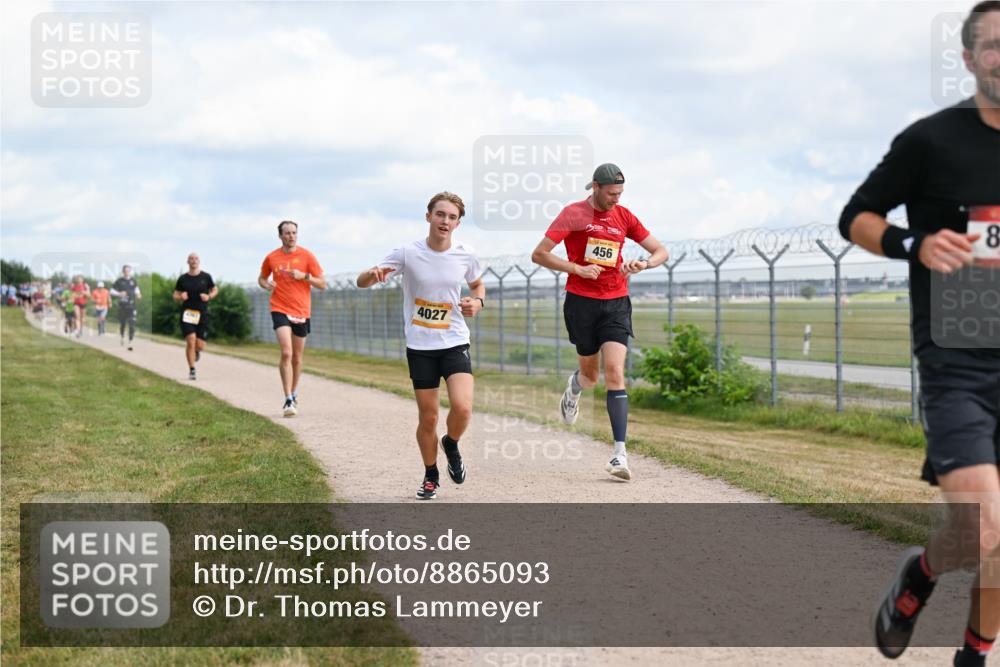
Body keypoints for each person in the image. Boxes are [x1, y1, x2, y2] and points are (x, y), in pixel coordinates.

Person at [839, 4, 1000, 665]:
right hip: (957, 360)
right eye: (991, 45)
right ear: (967, 59)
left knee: (990, 539)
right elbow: (857, 215)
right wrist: (916, 242)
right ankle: (945, 613)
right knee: (985, 526)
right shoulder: (931, 141)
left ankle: (939, 604)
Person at [531, 163, 668, 481]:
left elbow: (661, 251)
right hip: (581, 303)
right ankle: (574, 387)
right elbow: (539, 254)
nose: (616, 200)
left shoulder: (624, 216)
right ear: (595, 187)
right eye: (611, 194)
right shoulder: (573, 214)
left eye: (620, 194)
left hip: (616, 302)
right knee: (591, 376)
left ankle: (620, 454)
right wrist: (576, 269)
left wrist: (643, 263)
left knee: (615, 372)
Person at [357, 192, 485, 500]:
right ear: (428, 216)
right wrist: (372, 276)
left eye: (452, 217)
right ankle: (431, 475)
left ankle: (451, 443)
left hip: (454, 340)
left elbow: (477, 284)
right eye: (440, 214)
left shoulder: (466, 254)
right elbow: (362, 281)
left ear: (458, 223)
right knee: (428, 417)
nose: (445, 221)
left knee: (463, 407)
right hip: (420, 345)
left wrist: (477, 302)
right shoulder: (407, 253)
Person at [258, 221, 326, 416]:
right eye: (287, 233)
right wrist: (266, 284)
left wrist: (304, 276)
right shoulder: (272, 257)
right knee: (286, 352)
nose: (291, 236)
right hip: (279, 307)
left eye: (294, 233)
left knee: (297, 357)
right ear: (280, 236)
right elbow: (261, 278)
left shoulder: (307, 256)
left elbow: (322, 284)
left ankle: (294, 393)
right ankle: (287, 398)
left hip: (302, 311)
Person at [173, 253, 218, 380]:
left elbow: (215, 289)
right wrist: (180, 297)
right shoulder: (183, 279)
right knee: (191, 340)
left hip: (202, 314)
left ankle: (196, 352)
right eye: (191, 259)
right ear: (187, 261)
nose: (194, 261)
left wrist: (209, 296)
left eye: (196, 259)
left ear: (199, 261)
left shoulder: (206, 277)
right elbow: (175, 295)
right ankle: (192, 369)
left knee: (200, 345)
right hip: (187, 314)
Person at [111, 265, 141, 350]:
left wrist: (138, 294)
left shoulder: (133, 281)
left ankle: (130, 342)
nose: (127, 272)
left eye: (128, 270)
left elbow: (137, 290)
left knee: (132, 324)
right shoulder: (119, 281)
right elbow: (112, 291)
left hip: (132, 305)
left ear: (130, 271)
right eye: (125, 270)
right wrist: (119, 294)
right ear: (123, 271)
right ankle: (122, 336)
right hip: (122, 305)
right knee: (123, 324)